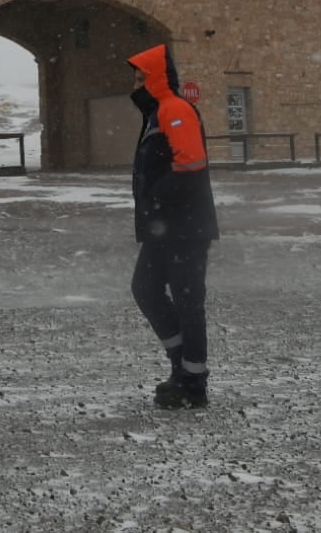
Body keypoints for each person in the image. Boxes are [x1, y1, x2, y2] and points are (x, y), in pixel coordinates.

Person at [127, 43, 219, 409]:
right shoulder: (156, 113)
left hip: (185, 227)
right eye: (134, 78)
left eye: (141, 77)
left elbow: (191, 163)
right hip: (164, 227)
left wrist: (157, 198)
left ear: (159, 78)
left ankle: (193, 381)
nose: (135, 84)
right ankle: (180, 366)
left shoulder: (175, 109)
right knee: (145, 289)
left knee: (187, 300)